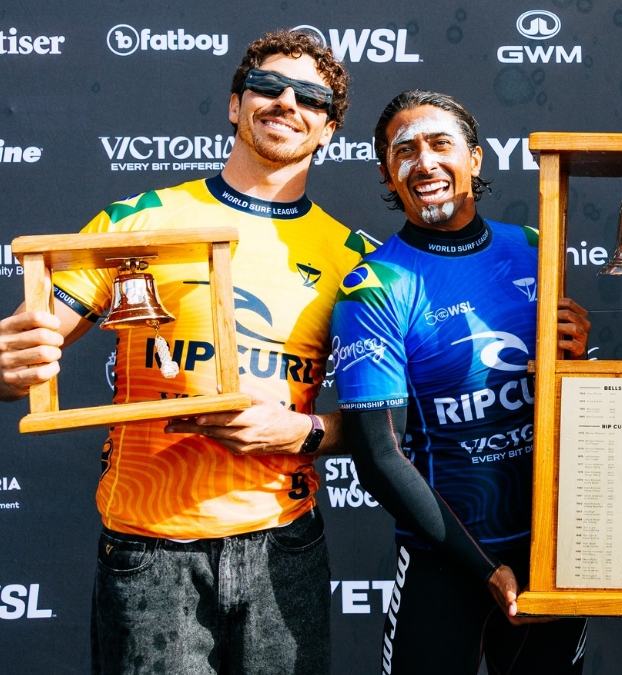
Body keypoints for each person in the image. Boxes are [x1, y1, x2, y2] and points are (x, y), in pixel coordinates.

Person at [0, 31, 367, 675]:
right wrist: (7, 367)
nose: (286, 101)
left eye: (309, 96)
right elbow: (33, 343)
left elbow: (390, 425)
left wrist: (304, 431)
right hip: (150, 550)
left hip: (286, 547)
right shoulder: (140, 219)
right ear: (234, 105)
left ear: (329, 128)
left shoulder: (354, 258)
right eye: (266, 87)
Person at [329, 89, 591, 675]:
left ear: (475, 158)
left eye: (440, 144)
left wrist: (576, 355)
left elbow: (567, 406)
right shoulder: (375, 285)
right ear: (386, 174)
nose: (424, 162)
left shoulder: (532, 247)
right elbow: (376, 456)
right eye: (405, 151)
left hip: (549, 553)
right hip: (445, 560)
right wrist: (484, 572)